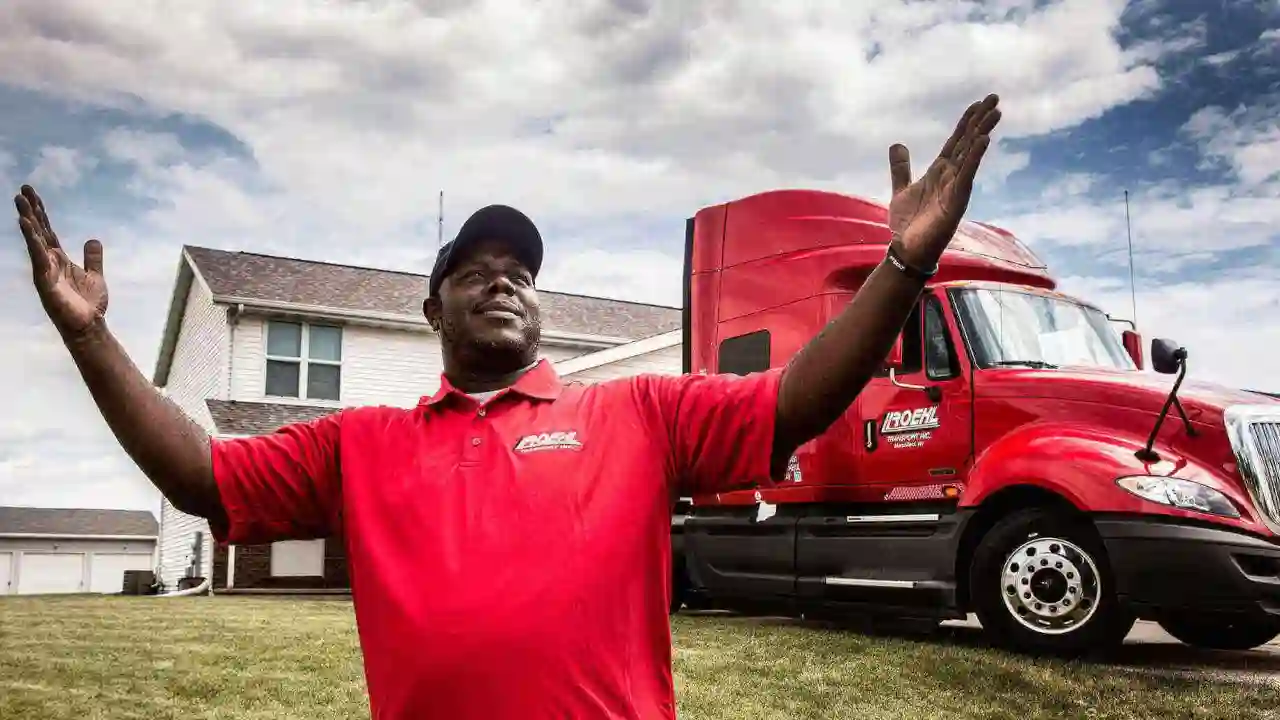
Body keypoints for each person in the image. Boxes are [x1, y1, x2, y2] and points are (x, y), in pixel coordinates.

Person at [14, 94, 1002, 719]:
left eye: (520, 272)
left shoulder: (635, 416)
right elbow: (199, 476)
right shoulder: (362, 444)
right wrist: (90, 336)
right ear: (431, 304)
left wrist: (900, 264)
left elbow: (795, 400)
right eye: (475, 270)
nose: (502, 284)